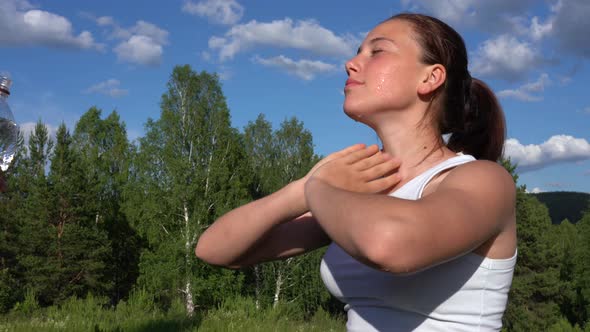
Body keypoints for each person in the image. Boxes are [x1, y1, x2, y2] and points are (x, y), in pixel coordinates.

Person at [196, 13, 516, 332]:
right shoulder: (356, 194)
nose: (350, 63)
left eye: (377, 52)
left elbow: (389, 244)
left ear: (430, 78)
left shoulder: (484, 180)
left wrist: (319, 187)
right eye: (357, 52)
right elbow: (215, 249)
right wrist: (301, 189)